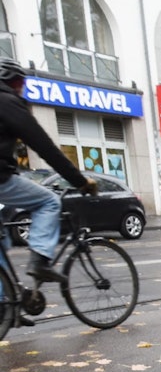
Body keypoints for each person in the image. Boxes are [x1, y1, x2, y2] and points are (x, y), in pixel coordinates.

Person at [0, 58, 95, 287]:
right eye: (21, 83)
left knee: (1, 242)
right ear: (13, 81)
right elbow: (44, 147)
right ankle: (40, 261)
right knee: (49, 202)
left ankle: (6, 302)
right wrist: (80, 181)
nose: (22, 88)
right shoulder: (7, 102)